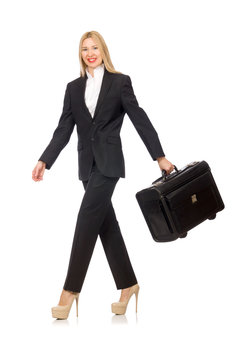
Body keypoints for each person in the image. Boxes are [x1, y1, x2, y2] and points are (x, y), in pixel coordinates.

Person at [32, 30, 174, 319]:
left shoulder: (120, 82)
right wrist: (45, 159)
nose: (90, 52)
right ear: (80, 54)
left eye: (95, 47)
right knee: (106, 227)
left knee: (85, 220)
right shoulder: (73, 88)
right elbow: (64, 129)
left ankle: (69, 292)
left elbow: (139, 118)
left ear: (103, 50)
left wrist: (159, 156)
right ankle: (129, 285)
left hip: (109, 164)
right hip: (87, 166)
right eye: (85, 48)